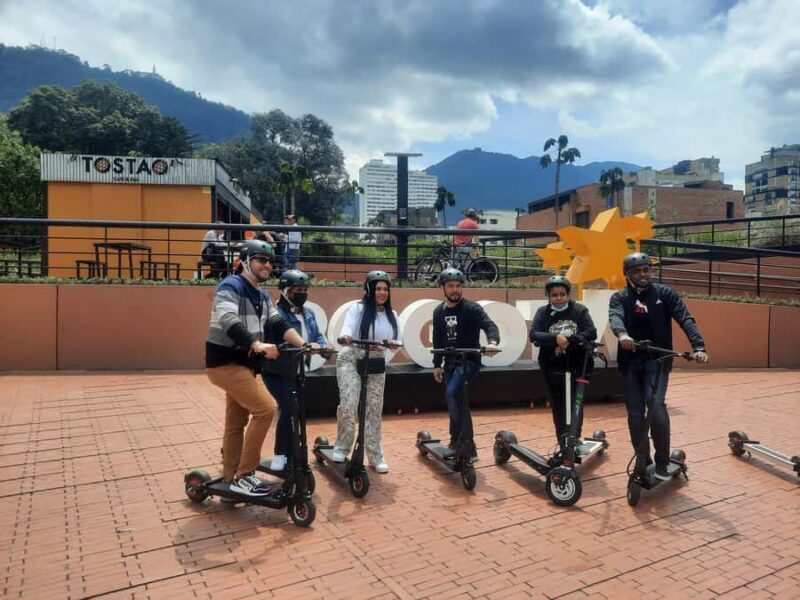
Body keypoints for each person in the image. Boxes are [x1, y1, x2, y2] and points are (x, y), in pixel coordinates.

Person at [205, 239, 305, 496]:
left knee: (236, 421)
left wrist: (305, 343)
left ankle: (230, 476)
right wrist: (256, 344)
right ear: (245, 262)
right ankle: (245, 474)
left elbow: (278, 322)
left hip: (245, 365)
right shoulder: (231, 285)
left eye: (270, 261)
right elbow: (227, 318)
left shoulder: (262, 295)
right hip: (226, 363)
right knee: (265, 409)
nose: (267, 265)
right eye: (261, 259)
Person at [609, 252, 710, 481]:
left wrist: (699, 347)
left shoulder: (665, 294)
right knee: (635, 412)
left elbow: (685, 318)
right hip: (631, 361)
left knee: (654, 404)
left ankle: (663, 460)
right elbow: (616, 317)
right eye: (637, 271)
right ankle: (643, 458)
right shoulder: (620, 298)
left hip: (658, 360)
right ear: (628, 274)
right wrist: (622, 334)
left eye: (646, 270)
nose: (643, 274)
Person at [333, 270, 402, 473]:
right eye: (377, 288)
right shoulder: (358, 308)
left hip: (376, 362)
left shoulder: (392, 315)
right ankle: (342, 446)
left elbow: (399, 341)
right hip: (351, 357)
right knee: (349, 403)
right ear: (369, 289)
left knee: (374, 409)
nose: (381, 293)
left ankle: (375, 454)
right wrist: (345, 337)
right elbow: (347, 328)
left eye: (385, 289)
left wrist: (392, 344)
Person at [261, 269, 327, 472]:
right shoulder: (276, 315)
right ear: (284, 291)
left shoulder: (309, 313)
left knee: (296, 411)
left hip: (297, 370)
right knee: (288, 408)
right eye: (297, 290)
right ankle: (281, 453)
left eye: (305, 290)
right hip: (276, 372)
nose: (302, 294)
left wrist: (323, 346)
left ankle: (292, 453)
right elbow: (270, 342)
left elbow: (318, 335)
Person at [431, 267, 500, 459]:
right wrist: (437, 364)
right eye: (451, 286)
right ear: (443, 288)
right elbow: (437, 339)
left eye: (458, 286)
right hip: (450, 364)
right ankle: (468, 446)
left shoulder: (472, 308)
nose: (455, 290)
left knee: (453, 393)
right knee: (458, 401)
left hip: (469, 361)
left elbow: (490, 326)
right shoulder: (438, 312)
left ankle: (457, 441)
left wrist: (492, 342)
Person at [530, 275, 597, 449]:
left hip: (577, 366)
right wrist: (555, 338)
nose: (559, 298)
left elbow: (591, 332)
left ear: (568, 294)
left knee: (576, 404)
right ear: (548, 296)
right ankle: (563, 442)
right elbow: (534, 334)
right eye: (554, 295)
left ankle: (574, 439)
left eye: (562, 294)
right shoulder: (542, 313)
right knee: (558, 405)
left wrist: (568, 341)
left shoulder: (579, 311)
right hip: (553, 367)